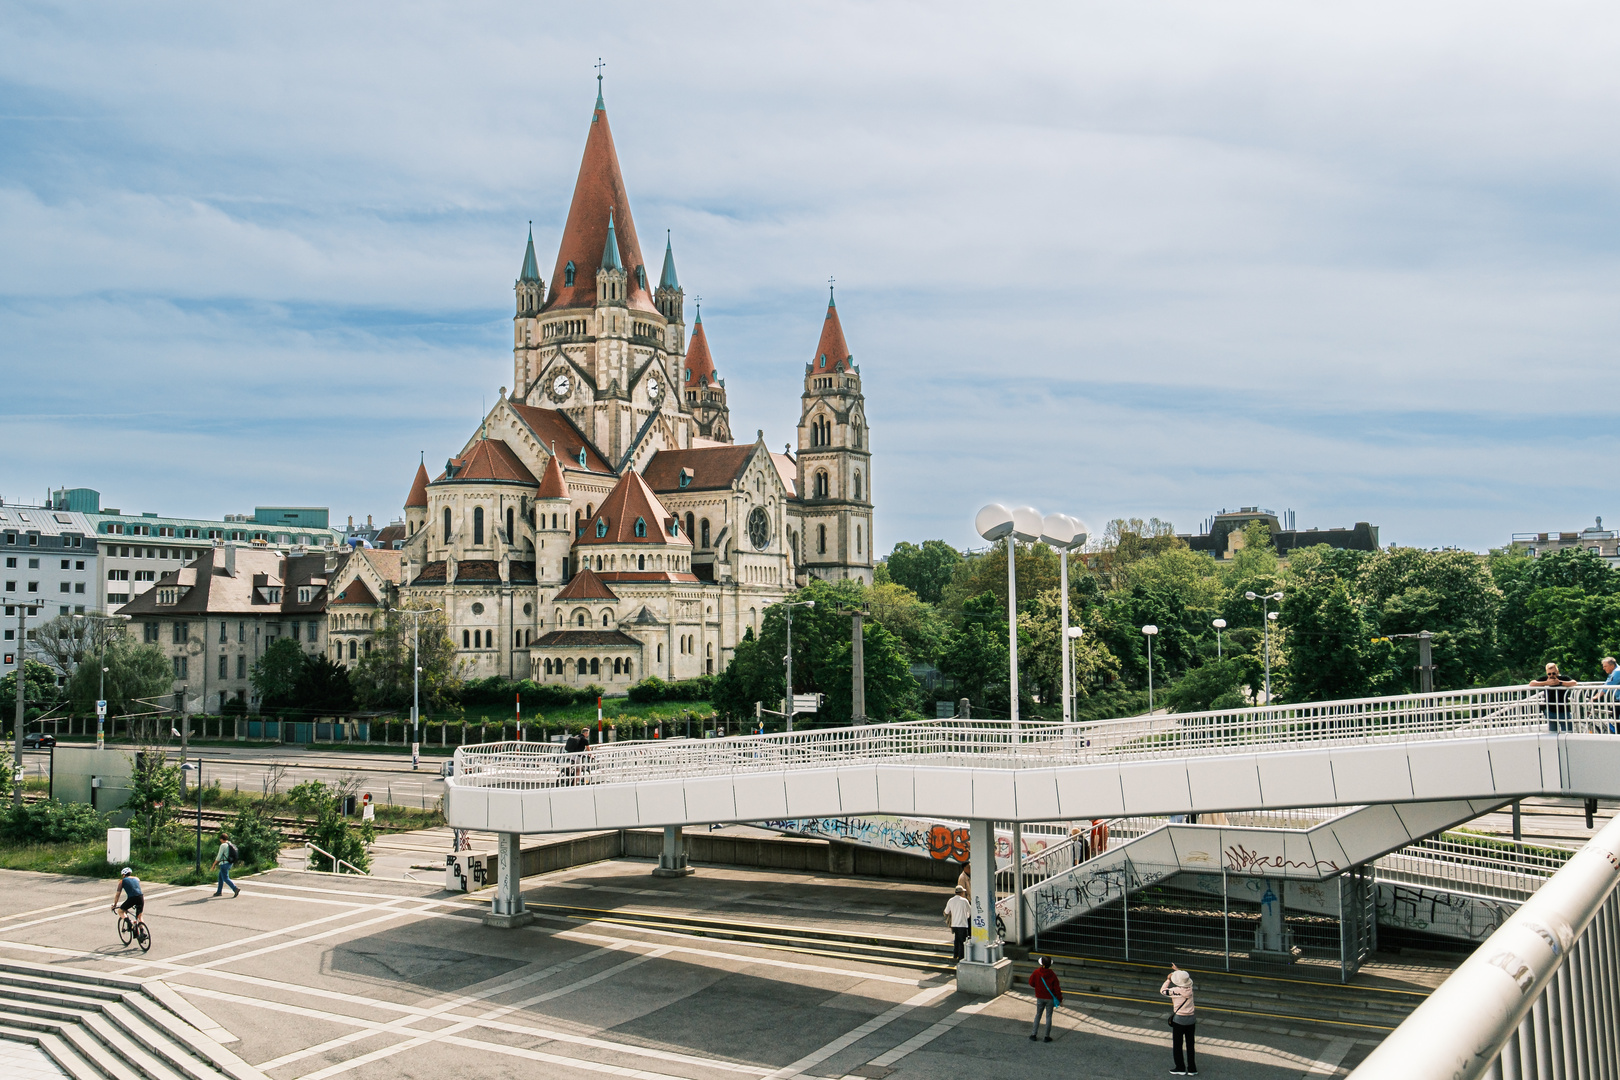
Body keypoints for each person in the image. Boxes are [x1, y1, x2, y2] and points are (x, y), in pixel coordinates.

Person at [1160, 964, 1197, 1075]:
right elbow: (1184, 979)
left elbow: (1162, 991)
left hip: (1179, 1020)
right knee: (1190, 1045)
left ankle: (1180, 1067)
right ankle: (1192, 1069)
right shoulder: (1190, 989)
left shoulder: (1174, 990)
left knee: (1178, 1045)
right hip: (1191, 1019)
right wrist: (1178, 971)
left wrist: (1168, 979)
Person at [1531, 663, 1578, 732]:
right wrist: (1546, 683)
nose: (1551, 676)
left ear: (1557, 672)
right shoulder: (1545, 679)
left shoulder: (1563, 678)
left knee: (1568, 732)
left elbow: (1574, 682)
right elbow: (1532, 683)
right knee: (1552, 733)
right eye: (1549, 674)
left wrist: (1560, 683)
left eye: (1553, 673)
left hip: (1564, 711)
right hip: (1550, 711)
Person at [1028, 955, 1062, 1042]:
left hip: (1040, 997)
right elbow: (1057, 988)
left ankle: (1033, 1034)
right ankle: (1046, 1036)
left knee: (1038, 1015)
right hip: (1050, 998)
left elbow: (1031, 983)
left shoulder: (1036, 972)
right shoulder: (1052, 974)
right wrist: (1060, 999)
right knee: (1048, 1016)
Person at [944, 886, 972, 961]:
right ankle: (961, 956)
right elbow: (970, 911)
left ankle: (955, 955)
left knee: (956, 940)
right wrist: (967, 916)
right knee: (962, 941)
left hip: (954, 924)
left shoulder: (951, 900)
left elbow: (946, 911)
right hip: (962, 924)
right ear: (962, 893)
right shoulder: (964, 901)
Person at [210, 831, 240, 897]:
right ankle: (219, 892)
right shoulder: (230, 844)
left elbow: (219, 856)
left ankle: (235, 889)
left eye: (220, 839)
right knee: (220, 877)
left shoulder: (223, 845)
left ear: (221, 839)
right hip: (229, 863)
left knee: (225, 878)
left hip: (224, 864)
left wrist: (214, 864)